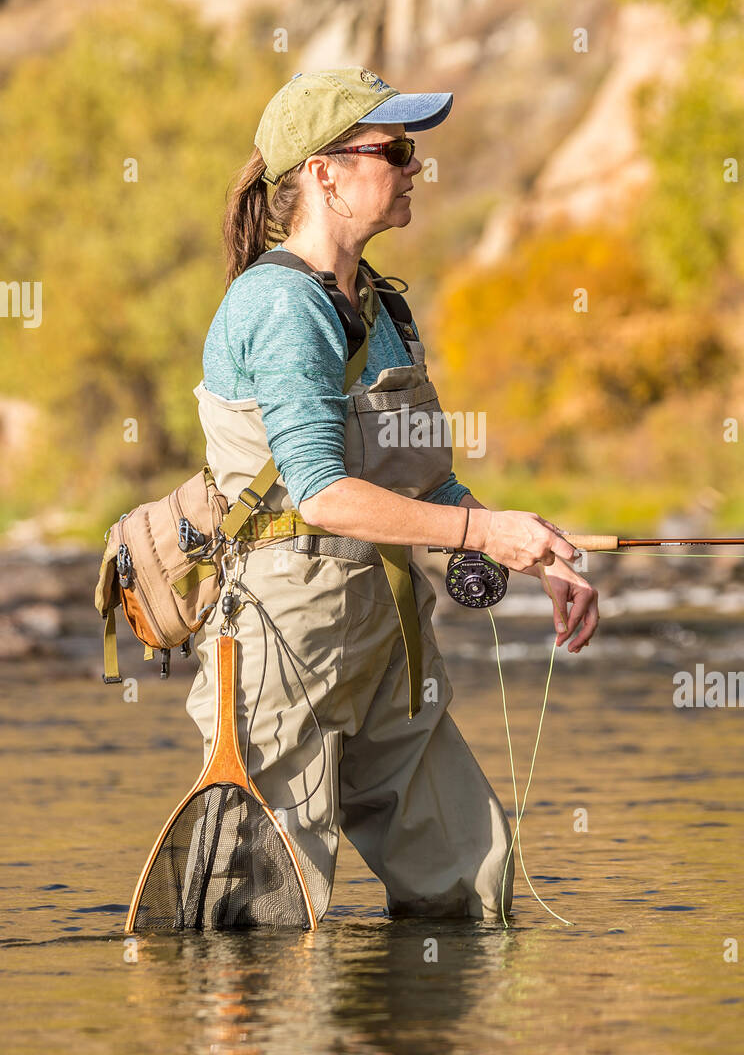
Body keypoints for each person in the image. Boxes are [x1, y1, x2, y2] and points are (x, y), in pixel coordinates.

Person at [184, 66, 600, 923]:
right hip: (284, 640)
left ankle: (412, 1051)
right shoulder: (280, 305)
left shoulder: (382, 306)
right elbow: (324, 494)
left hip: (387, 636)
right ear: (323, 174)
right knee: (263, 924)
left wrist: (532, 553)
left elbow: (422, 478)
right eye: (396, 151)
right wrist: (482, 531)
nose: (415, 169)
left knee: (469, 883)